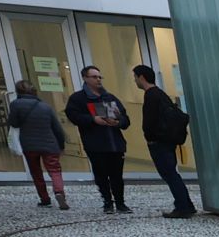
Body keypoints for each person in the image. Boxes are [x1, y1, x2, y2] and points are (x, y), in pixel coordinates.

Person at [132, 65, 196, 219]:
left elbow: (150, 122)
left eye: (135, 77)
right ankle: (186, 205)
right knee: (172, 174)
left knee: (170, 174)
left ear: (141, 77)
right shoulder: (160, 94)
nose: (134, 81)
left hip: (159, 142)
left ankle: (182, 207)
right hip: (167, 140)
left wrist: (150, 137)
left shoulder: (151, 96)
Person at [64, 66, 131, 214]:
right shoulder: (78, 99)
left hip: (115, 143)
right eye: (94, 77)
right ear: (85, 78)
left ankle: (120, 202)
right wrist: (93, 120)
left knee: (117, 176)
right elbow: (73, 116)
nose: (98, 79)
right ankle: (107, 202)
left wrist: (118, 121)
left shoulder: (109, 97)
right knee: (101, 175)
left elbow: (125, 119)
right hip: (96, 144)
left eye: (100, 77)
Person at [5, 81, 67, 210]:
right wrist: (61, 145)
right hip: (49, 144)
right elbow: (57, 128)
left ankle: (45, 199)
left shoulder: (15, 104)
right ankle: (59, 192)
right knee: (54, 170)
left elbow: (14, 123)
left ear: (18, 91)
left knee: (36, 171)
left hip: (29, 144)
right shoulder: (45, 106)